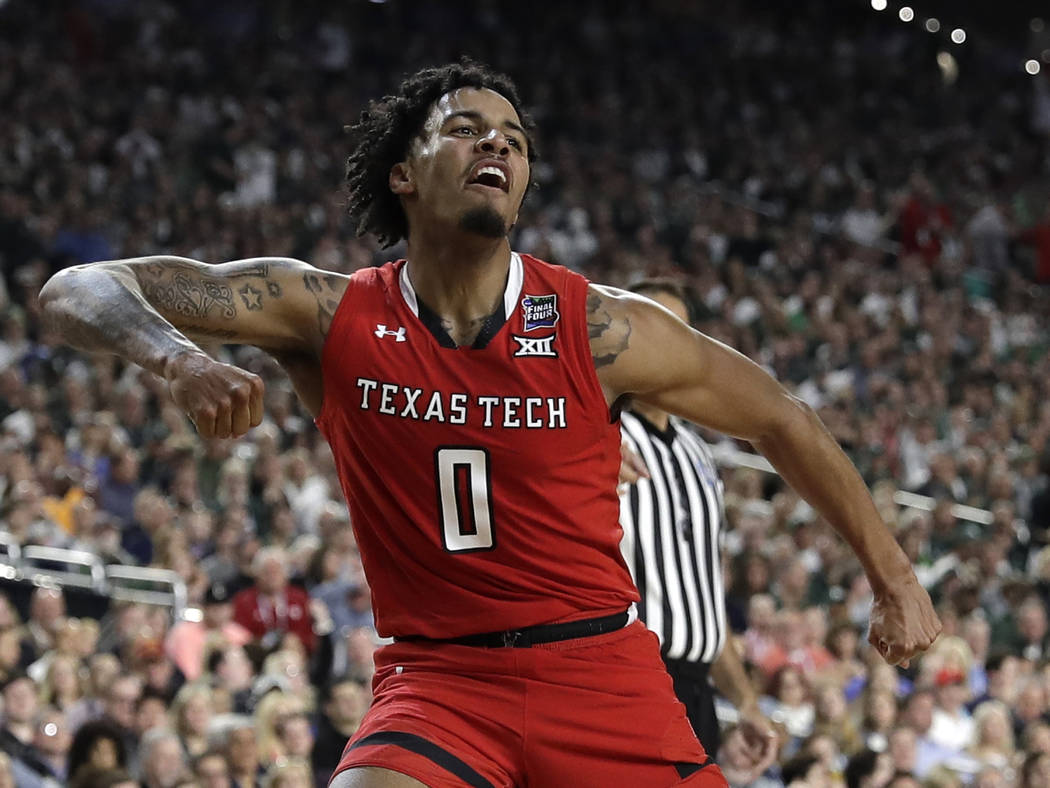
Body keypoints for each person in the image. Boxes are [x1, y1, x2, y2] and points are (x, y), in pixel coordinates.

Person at [41, 59, 940, 787]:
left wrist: (894, 576)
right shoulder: (323, 313)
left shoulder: (598, 326)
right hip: (438, 683)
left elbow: (780, 417)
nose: (496, 146)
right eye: (466, 129)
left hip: (602, 675)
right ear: (404, 172)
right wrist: (178, 358)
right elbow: (76, 287)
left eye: (513, 140)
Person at [617, 279, 777, 776]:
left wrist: (746, 703)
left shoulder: (699, 453)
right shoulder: (590, 429)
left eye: (679, 331)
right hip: (624, 684)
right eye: (650, 328)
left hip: (697, 690)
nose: (666, 344)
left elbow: (703, 603)